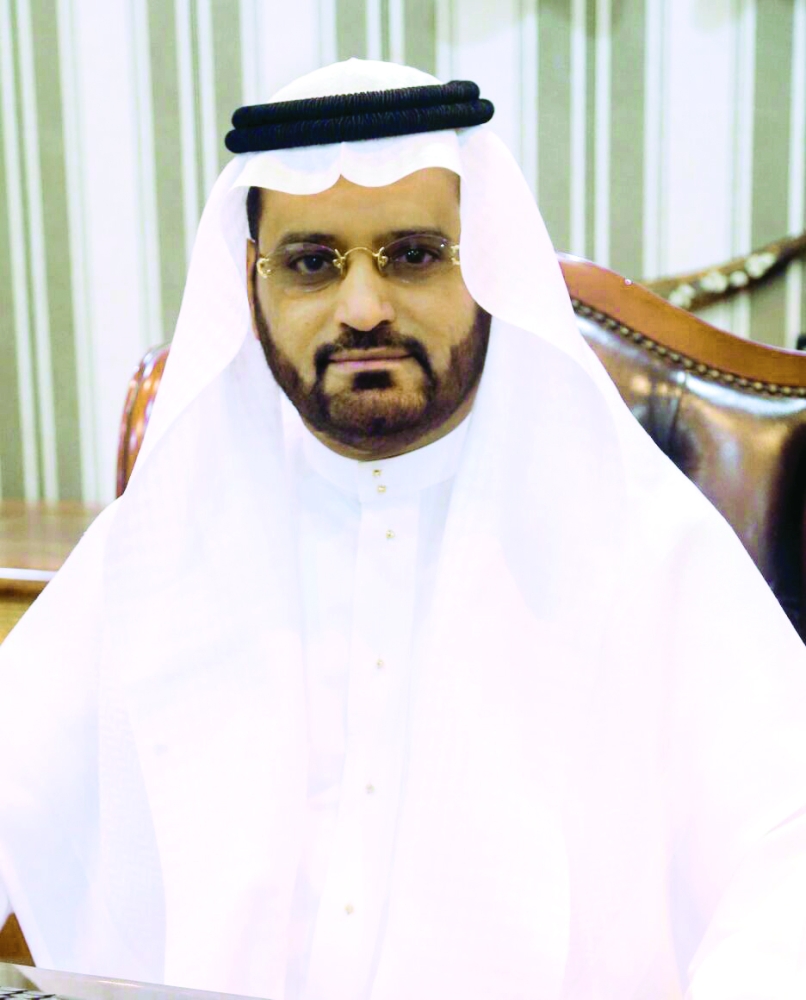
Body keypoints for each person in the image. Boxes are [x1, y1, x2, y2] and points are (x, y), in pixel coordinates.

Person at [1, 57, 806, 1000]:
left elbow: (785, 853)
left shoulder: (640, 539)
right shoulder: (163, 541)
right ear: (253, 286)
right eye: (312, 263)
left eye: (414, 254)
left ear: (487, 267)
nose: (362, 309)